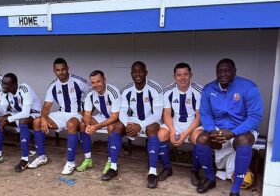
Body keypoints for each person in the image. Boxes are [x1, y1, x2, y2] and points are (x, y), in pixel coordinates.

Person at [197, 58, 263, 195]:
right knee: (201, 139)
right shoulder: (209, 89)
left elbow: (255, 117)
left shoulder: (249, 87)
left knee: (243, 141)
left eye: (227, 70)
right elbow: (205, 112)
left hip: (242, 129)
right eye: (219, 71)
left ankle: (235, 189)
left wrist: (233, 133)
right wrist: (210, 130)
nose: (223, 74)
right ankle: (210, 178)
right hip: (217, 127)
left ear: (234, 71)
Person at [102, 61, 164, 189]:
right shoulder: (127, 90)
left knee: (152, 129)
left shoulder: (155, 88)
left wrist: (140, 125)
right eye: (134, 71)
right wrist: (128, 124)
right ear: (131, 74)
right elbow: (122, 112)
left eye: (140, 71)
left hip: (151, 120)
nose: (137, 74)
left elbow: (157, 114)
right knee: (117, 126)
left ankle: (152, 172)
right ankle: (113, 167)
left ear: (146, 72)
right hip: (133, 120)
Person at [27, 58, 90, 175]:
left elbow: (93, 98)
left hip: (78, 113)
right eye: (58, 70)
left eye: (63, 69)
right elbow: (46, 107)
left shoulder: (79, 81)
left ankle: (70, 162)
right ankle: (42, 157)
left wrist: (86, 114)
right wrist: (44, 119)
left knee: (71, 124)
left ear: (67, 69)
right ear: (54, 71)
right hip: (62, 114)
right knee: (37, 121)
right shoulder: (53, 85)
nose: (61, 72)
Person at [157, 62, 203, 185]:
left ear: (191, 75)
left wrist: (185, 134)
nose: (182, 78)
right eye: (179, 75)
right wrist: (172, 131)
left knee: (198, 138)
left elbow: (199, 116)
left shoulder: (199, 91)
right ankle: (167, 168)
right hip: (175, 122)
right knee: (161, 135)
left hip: (193, 123)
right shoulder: (168, 90)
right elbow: (166, 114)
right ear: (174, 76)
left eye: (185, 74)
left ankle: (195, 171)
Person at [78, 70, 121, 173]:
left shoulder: (113, 92)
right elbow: (87, 114)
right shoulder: (89, 93)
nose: (96, 85)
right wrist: (89, 126)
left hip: (118, 118)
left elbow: (115, 117)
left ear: (104, 80)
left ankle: (111, 161)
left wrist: (97, 126)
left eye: (98, 81)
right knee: (83, 125)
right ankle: (88, 159)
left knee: (111, 127)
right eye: (93, 82)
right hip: (102, 117)